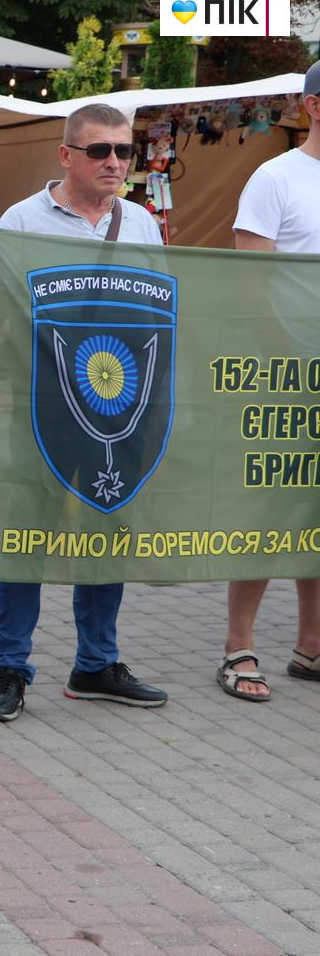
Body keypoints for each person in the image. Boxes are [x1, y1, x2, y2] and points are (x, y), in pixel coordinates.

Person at [0, 103, 169, 721]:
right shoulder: (21, 220)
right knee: (26, 532)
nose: (114, 163)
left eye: (124, 152)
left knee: (109, 526)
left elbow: (161, 310)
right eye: (100, 151)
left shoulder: (141, 224)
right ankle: (11, 665)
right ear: (66, 155)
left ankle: (96, 662)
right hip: (43, 405)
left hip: (117, 403)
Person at [218, 60, 320, 703]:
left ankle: (312, 646)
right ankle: (238, 645)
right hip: (284, 370)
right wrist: (285, 358)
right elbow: (247, 285)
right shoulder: (274, 177)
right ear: (314, 105)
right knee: (270, 508)